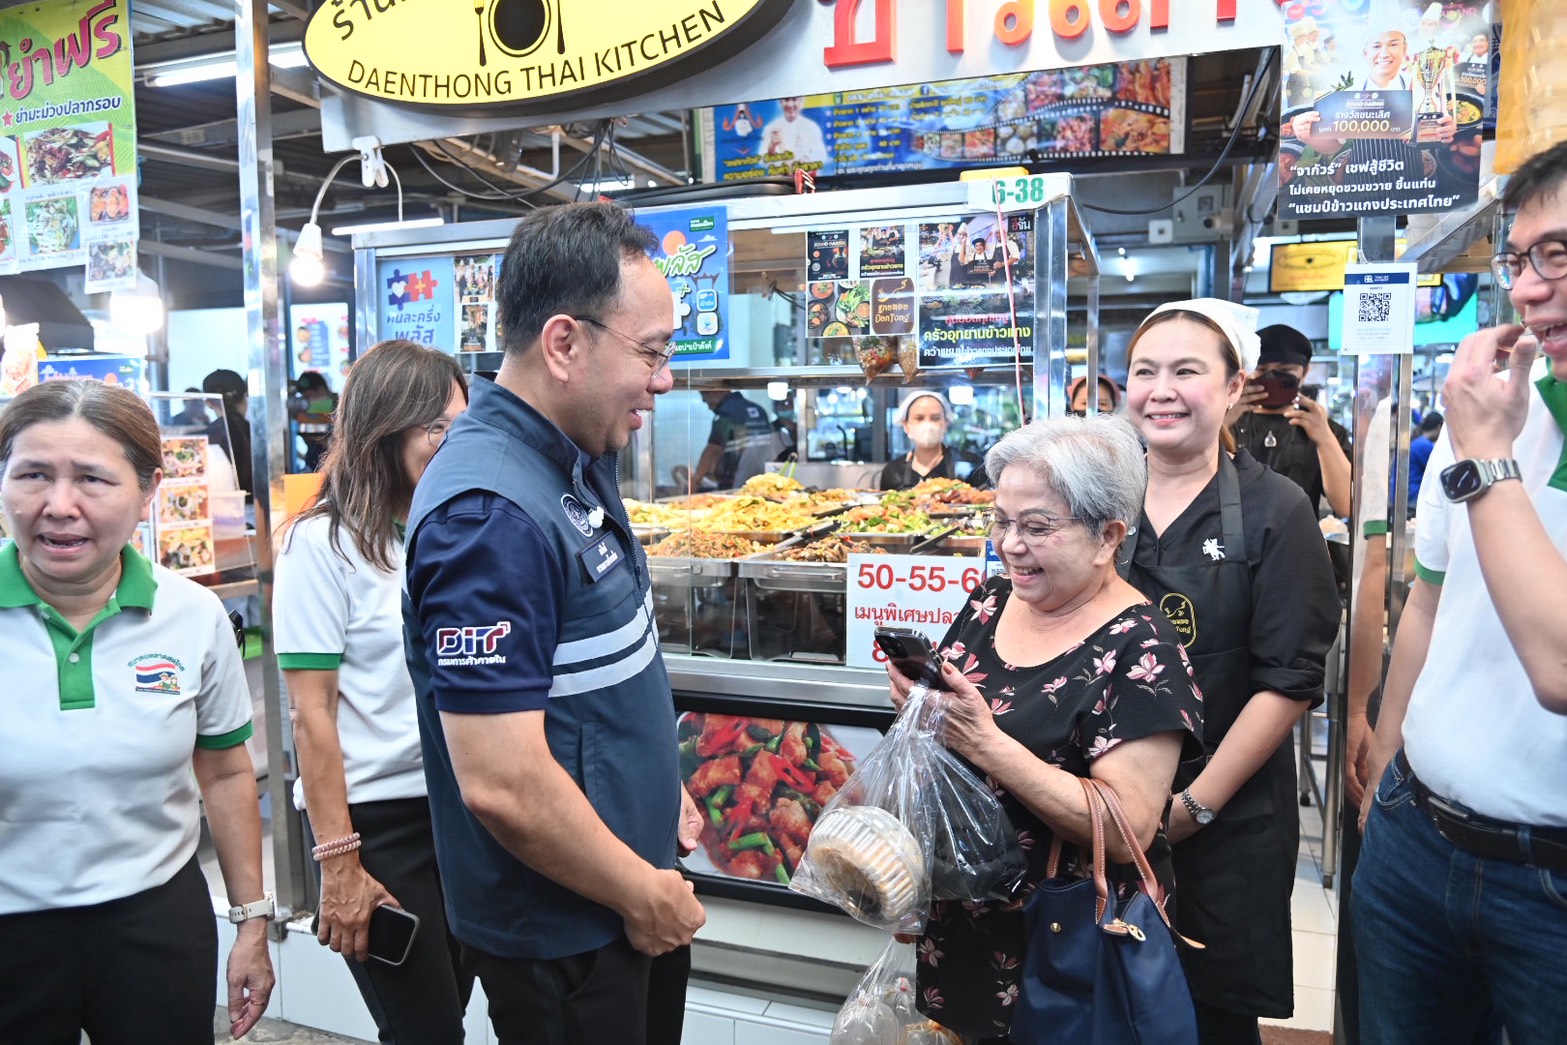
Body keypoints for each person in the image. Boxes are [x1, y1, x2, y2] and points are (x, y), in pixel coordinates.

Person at [402, 202, 706, 1045]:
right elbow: (501, 781)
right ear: (564, 343)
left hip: (619, 886)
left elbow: (593, 674)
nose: (664, 379)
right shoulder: (488, 514)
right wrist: (640, 891)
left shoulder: (571, 454)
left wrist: (653, 789)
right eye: (651, 352)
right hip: (570, 926)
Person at [885, 414, 1204, 1041]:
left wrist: (987, 744)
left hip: (1063, 945)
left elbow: (1127, 826)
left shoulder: (1142, 648)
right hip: (964, 926)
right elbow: (952, 742)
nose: (1010, 545)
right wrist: (921, 712)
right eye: (1001, 521)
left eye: (1036, 527)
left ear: (1108, 536)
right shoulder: (991, 601)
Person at [1354, 139, 1567, 1045]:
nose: (1525, 290)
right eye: (1519, 260)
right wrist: (1382, 760)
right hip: (1416, 834)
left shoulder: (1485, 430)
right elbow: (1430, 601)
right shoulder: (1501, 405)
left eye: (1556, 256)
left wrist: (1486, 453)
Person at [0, 379, 274, 1042]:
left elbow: (227, 773)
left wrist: (252, 921)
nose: (58, 505)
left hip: (155, 921)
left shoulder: (192, 616)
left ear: (149, 490)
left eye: (92, 479)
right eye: (32, 473)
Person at [1123, 299, 1340, 1044]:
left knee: (1208, 1017)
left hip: (1224, 818)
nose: (1161, 389)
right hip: (1100, 812)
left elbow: (1288, 681)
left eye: (1186, 370)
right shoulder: (1100, 499)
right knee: (1100, 998)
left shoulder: (1276, 508)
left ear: (1231, 385)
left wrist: (1188, 809)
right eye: (1143, 370)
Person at [274, 340, 471, 1043]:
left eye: (460, 423)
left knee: (449, 1009)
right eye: (436, 426)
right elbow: (311, 715)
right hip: (378, 825)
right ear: (386, 428)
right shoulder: (320, 546)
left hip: (462, 811)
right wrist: (341, 861)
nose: (453, 441)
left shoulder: (445, 530)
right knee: (425, 1029)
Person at [1227, 324, 1352, 518]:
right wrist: (1221, 424)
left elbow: (1347, 507)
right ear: (1248, 372)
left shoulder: (1324, 429)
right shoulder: (1228, 423)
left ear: (1304, 371)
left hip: (1297, 540)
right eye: (1262, 370)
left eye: (1285, 370)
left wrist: (1325, 439)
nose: (1272, 377)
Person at [879, 390, 986, 490]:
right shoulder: (893, 471)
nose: (928, 425)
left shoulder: (971, 463)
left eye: (935, 418)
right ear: (906, 425)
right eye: (919, 418)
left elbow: (988, 503)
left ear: (946, 423)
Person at [689, 389, 780, 492]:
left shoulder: (725, 413)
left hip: (738, 483)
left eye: (706, 400)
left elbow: (712, 450)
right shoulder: (759, 409)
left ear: (715, 392)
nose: (709, 407)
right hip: (763, 482)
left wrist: (695, 481)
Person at [203, 367, 253, 498]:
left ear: (208, 402)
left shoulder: (207, 436)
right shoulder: (254, 431)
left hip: (220, 508)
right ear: (244, 396)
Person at [293, 370, 338, 472]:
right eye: (304, 397)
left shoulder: (339, 408)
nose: (306, 401)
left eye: (309, 396)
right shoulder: (305, 415)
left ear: (322, 390)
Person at [761, 96, 827, 166]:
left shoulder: (811, 127)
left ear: (801, 101)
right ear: (781, 102)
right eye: (786, 100)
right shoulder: (771, 128)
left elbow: (822, 156)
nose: (790, 105)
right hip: (780, 176)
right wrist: (771, 147)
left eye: (794, 99)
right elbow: (762, 162)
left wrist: (807, 160)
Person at [1406, 410, 1442, 505]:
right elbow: (1437, 471)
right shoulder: (1425, 445)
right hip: (1414, 493)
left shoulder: (1419, 441)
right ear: (1439, 427)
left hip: (1409, 490)